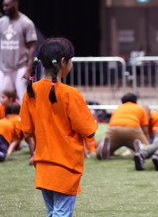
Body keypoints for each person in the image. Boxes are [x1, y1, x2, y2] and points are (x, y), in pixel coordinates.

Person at [17, 37, 98, 217]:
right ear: (63, 62)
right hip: (66, 167)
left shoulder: (31, 92)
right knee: (60, 214)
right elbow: (89, 130)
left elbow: (27, 130)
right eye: (71, 60)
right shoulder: (70, 94)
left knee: (53, 213)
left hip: (43, 167)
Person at [0, 0, 38, 102]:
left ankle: (24, 119)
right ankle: (4, 119)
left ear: (15, 4)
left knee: (23, 98)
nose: (4, 8)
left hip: (21, 67)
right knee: (3, 100)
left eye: (6, 5)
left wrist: (29, 68)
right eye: (3, 5)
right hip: (4, 68)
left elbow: (32, 47)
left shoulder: (26, 23)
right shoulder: (1, 22)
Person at [96, 92, 149, 160]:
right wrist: (146, 142)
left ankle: (105, 149)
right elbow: (145, 130)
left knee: (102, 151)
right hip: (132, 129)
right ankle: (141, 147)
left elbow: (110, 124)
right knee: (147, 150)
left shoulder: (118, 109)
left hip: (114, 129)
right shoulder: (140, 108)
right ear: (136, 101)